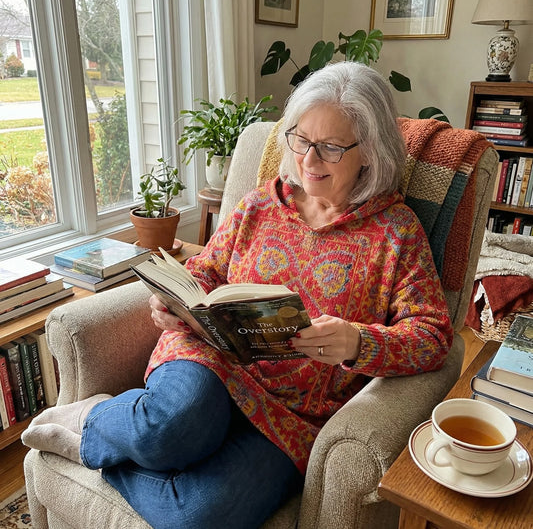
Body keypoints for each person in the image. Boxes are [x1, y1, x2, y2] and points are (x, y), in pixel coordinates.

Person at [22, 61, 453, 529]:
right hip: (209, 361)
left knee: (196, 517)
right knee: (169, 430)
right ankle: (102, 418)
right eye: (301, 140)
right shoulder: (260, 205)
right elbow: (204, 270)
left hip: (291, 416)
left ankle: (92, 443)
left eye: (330, 148)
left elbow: (433, 336)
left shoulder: (396, 232)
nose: (309, 161)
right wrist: (174, 299)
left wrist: (357, 342)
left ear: (369, 150)